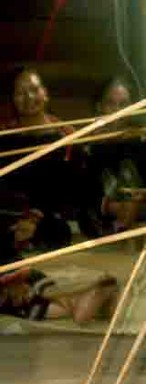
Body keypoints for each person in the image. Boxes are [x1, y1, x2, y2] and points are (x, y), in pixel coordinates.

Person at [0, 67, 81, 248]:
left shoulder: (66, 136)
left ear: (45, 94)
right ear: (13, 100)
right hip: (13, 217)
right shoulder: (4, 136)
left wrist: (36, 218)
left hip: (51, 220)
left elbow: (71, 189)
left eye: (34, 90)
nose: (29, 97)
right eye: (21, 93)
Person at [85, 77, 146, 234]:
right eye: (111, 104)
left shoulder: (141, 140)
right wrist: (110, 206)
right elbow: (84, 192)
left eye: (123, 104)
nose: (117, 111)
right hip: (98, 224)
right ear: (100, 106)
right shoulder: (89, 145)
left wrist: (139, 200)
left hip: (139, 220)